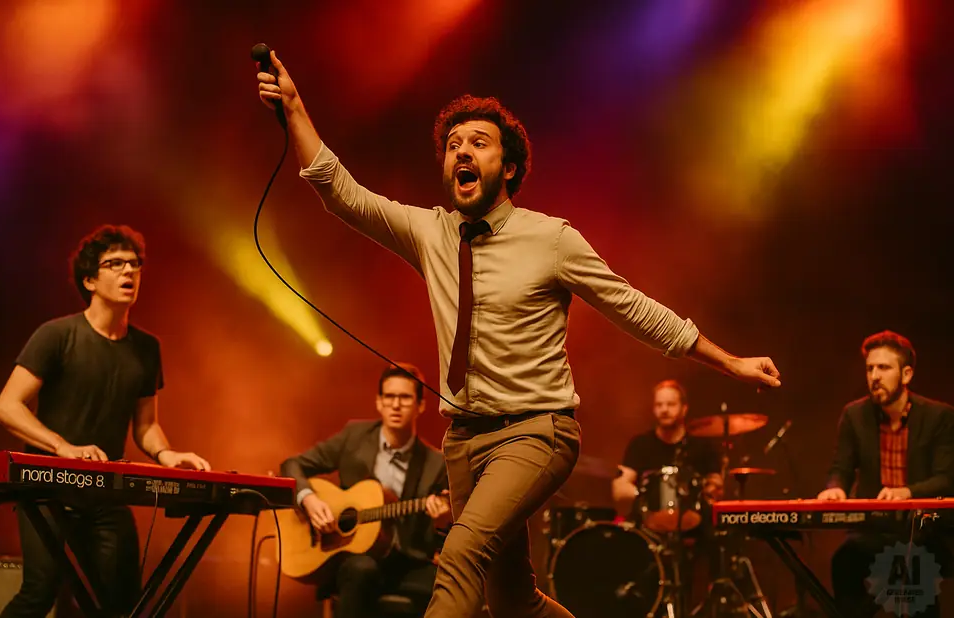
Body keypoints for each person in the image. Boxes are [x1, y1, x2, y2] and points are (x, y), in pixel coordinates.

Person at [256, 50, 782, 618]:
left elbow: (634, 308)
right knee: (512, 601)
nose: (462, 150)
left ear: (508, 168)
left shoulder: (551, 239)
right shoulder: (431, 232)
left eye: (478, 142)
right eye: (453, 144)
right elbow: (341, 191)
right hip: (464, 440)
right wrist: (295, 108)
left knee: (458, 553)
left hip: (538, 431)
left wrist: (728, 361)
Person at [0, 224, 210, 617]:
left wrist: (166, 455)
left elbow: (145, 426)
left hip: (105, 493)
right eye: (115, 264)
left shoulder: (146, 349)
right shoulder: (57, 334)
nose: (129, 272)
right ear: (90, 279)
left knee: (123, 605)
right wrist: (63, 447)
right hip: (46, 490)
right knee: (40, 592)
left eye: (135, 264)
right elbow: (7, 406)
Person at [280, 363, 451, 618]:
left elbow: (445, 530)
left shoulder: (435, 463)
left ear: (420, 406)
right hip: (353, 557)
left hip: (408, 562)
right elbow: (291, 465)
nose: (396, 405)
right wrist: (310, 500)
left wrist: (440, 521)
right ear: (378, 402)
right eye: (389, 397)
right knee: (361, 570)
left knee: (451, 587)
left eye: (405, 398)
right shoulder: (354, 437)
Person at [817, 330, 954, 618]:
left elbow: (946, 479)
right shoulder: (854, 415)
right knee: (845, 560)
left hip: (926, 532)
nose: (874, 376)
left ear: (906, 375)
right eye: (870, 368)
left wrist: (906, 493)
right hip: (875, 530)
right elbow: (840, 468)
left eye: (884, 368)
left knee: (914, 566)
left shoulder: (939, 417)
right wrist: (835, 487)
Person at [613, 379, 723, 520]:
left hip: (695, 524)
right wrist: (638, 495)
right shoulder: (640, 444)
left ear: (684, 408)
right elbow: (622, 486)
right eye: (659, 405)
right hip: (648, 523)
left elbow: (716, 485)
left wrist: (711, 489)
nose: (664, 409)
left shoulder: (702, 446)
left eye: (670, 404)